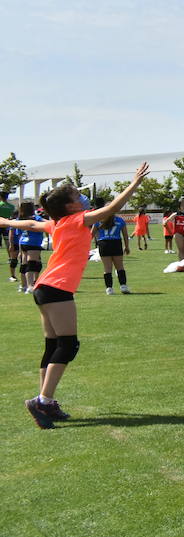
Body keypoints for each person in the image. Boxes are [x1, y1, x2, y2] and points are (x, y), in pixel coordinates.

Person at [0, 164, 149, 428]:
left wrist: (5, 221)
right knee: (68, 346)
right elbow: (111, 209)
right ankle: (42, 401)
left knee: (53, 345)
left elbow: (29, 222)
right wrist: (134, 184)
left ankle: (45, 401)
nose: (81, 198)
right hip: (56, 288)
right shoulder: (77, 219)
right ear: (70, 207)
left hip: (44, 288)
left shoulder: (57, 223)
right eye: (76, 197)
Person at [91, 205, 132, 295]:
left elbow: (91, 235)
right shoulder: (120, 220)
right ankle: (123, 286)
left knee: (107, 268)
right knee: (120, 267)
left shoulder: (99, 220)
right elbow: (125, 235)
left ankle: (109, 288)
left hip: (103, 244)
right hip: (116, 243)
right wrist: (127, 246)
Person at [15, 201, 45, 293]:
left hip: (23, 242)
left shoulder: (19, 220)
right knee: (31, 264)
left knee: (24, 264)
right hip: (34, 242)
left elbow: (18, 233)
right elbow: (46, 224)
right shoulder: (36, 218)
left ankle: (23, 285)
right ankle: (30, 286)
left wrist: (19, 250)